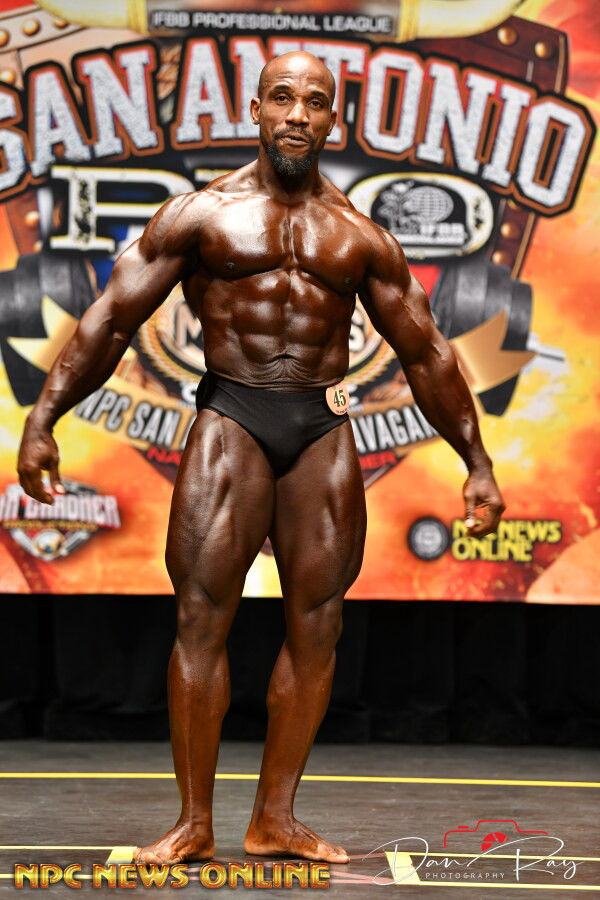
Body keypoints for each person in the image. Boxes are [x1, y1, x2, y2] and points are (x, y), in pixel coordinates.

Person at [17, 51, 504, 865]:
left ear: (333, 119)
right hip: (232, 418)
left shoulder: (360, 235)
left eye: (315, 102)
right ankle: (192, 822)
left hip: (321, 426)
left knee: (320, 624)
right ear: (256, 109)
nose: (297, 115)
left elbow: (427, 354)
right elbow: (110, 321)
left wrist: (477, 461)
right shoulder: (201, 216)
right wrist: (43, 418)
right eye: (282, 97)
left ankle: (275, 818)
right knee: (201, 617)